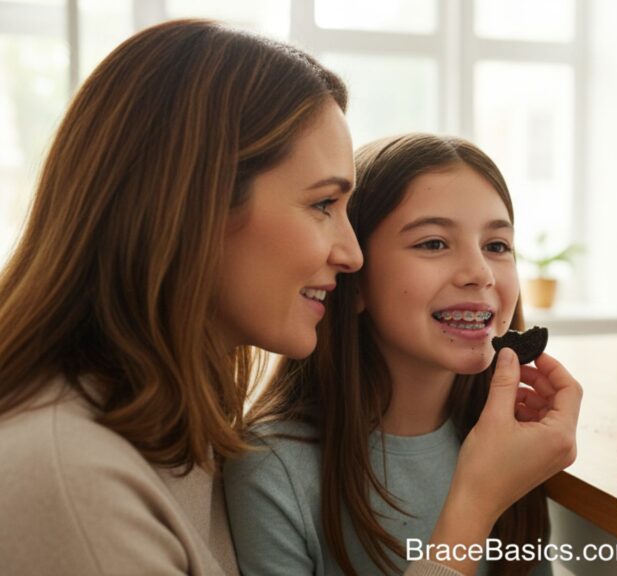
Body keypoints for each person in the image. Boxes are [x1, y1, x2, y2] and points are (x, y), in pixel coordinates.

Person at [0, 21, 580, 576]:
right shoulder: (68, 480)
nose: (352, 256)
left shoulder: (180, 425)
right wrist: (473, 506)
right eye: (323, 204)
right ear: (195, 209)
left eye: (498, 243)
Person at [225, 133, 581, 576]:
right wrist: (476, 503)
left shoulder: (514, 442)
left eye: (496, 246)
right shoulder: (271, 473)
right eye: (433, 243)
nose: (479, 273)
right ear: (353, 274)